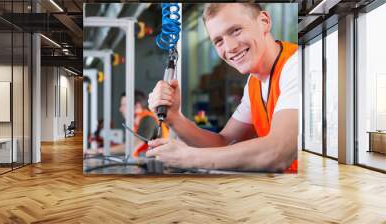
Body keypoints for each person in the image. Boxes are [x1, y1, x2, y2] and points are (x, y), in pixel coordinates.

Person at [147, 3, 298, 173]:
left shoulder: (297, 65)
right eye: (218, 41)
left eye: (236, 30)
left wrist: (187, 157)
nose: (230, 47)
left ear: (264, 22)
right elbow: (223, 143)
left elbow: (278, 153)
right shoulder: (254, 83)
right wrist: (174, 118)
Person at [86, 90, 168, 157]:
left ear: (137, 106)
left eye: (124, 105)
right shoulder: (138, 121)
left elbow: (131, 146)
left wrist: (98, 151)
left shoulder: (148, 120)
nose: (120, 109)